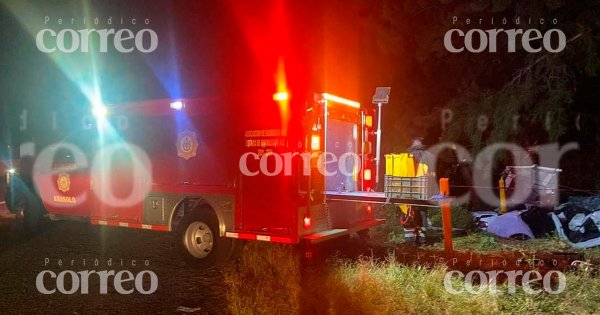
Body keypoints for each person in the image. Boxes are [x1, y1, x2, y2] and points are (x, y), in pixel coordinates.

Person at [402, 137, 434, 244]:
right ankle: (422, 237)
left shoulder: (407, 156)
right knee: (423, 212)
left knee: (408, 212)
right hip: (424, 189)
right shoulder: (430, 156)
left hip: (409, 188)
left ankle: (411, 239)